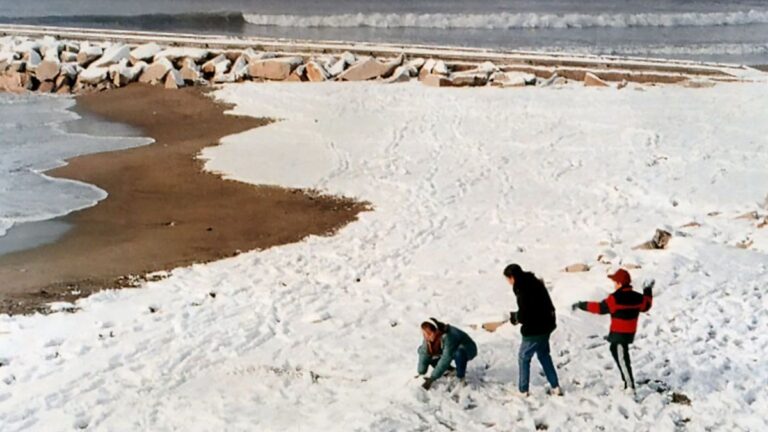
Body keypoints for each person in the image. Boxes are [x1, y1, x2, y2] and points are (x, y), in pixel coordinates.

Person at [571, 268, 654, 394]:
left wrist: (582, 305)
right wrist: (647, 290)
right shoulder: (637, 297)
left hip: (620, 333)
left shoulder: (615, 298)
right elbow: (646, 305)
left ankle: (630, 385)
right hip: (627, 332)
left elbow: (599, 308)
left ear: (620, 284)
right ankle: (626, 381)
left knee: (622, 357)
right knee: (614, 349)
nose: (614, 284)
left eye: (615, 282)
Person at [504, 264, 563, 396]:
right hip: (547, 325)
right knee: (543, 355)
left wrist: (517, 317)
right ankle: (555, 386)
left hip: (534, 329)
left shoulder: (522, 289)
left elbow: (526, 314)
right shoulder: (534, 282)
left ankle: (523, 390)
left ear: (512, 277)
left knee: (523, 357)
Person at [417, 317, 478, 390]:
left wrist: (432, 378)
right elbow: (424, 352)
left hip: (467, 349)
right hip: (450, 350)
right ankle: (450, 370)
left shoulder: (449, 336)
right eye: (425, 334)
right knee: (430, 354)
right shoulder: (428, 337)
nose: (427, 337)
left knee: (459, 353)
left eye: (429, 334)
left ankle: (460, 377)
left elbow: (446, 358)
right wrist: (421, 371)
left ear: (436, 331)